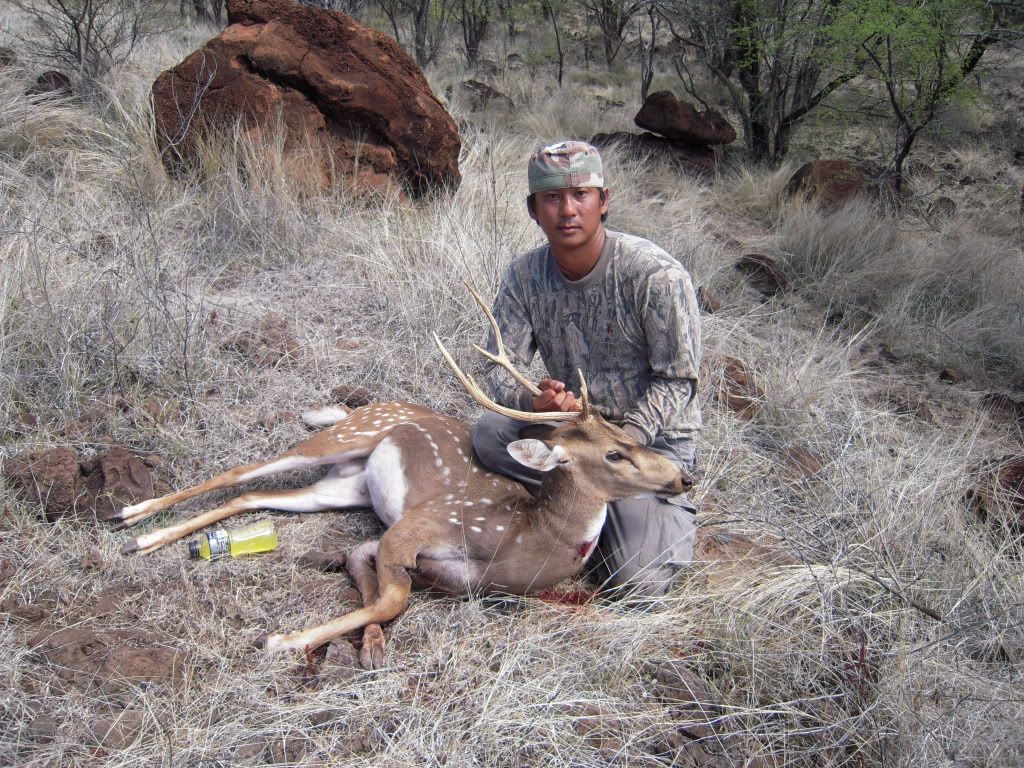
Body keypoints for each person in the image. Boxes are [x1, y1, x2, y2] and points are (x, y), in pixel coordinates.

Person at [471, 140, 702, 598]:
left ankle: (630, 508)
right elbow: (496, 368)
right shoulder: (524, 276)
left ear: (604, 201)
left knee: (637, 582)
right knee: (488, 433)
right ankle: (585, 504)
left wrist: (624, 443)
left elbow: (678, 381)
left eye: (581, 195)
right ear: (533, 209)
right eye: (552, 198)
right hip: (576, 433)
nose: (568, 210)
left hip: (644, 441)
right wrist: (531, 401)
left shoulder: (655, 276)